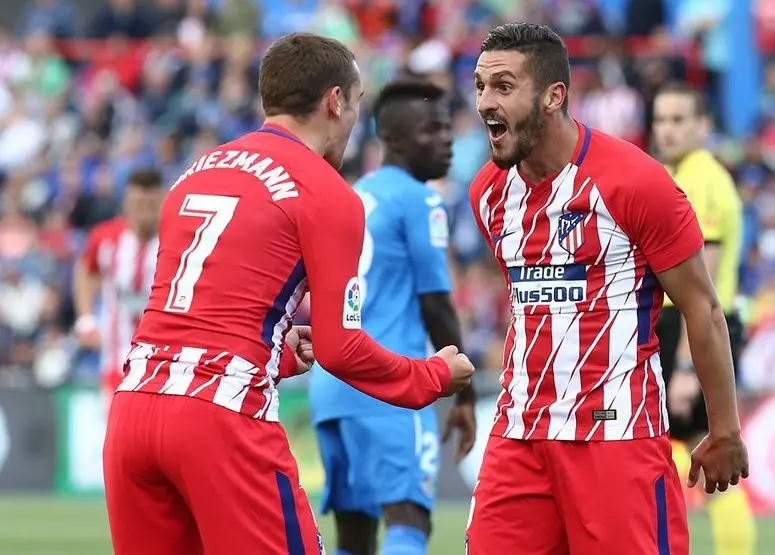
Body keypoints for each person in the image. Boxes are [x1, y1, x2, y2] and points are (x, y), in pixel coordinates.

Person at [101, 33, 474, 555]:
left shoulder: (196, 173)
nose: (354, 123)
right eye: (357, 103)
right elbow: (342, 348)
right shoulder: (327, 193)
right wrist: (432, 376)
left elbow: (197, 312)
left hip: (133, 408)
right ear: (334, 101)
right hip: (220, 417)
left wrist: (274, 346)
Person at [465, 23, 749, 555]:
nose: (485, 102)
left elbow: (702, 308)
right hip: (518, 434)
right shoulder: (487, 192)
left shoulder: (636, 182)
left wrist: (725, 429)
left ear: (554, 97)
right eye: (479, 86)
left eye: (503, 86)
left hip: (615, 435)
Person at [308, 80, 477, 555]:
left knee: (355, 535)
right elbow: (437, 302)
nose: (447, 140)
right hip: (388, 383)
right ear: (395, 139)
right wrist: (461, 397)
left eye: (448, 129)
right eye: (433, 130)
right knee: (408, 521)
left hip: (333, 385)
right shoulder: (419, 199)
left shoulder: (353, 195)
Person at [652, 83, 756, 555]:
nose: (666, 130)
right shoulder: (687, 174)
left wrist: (689, 367)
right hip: (692, 328)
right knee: (699, 454)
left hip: (693, 331)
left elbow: (703, 285)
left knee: (689, 451)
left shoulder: (702, 179)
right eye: (660, 120)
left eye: (678, 120)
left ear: (702, 126)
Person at [73, 168, 164, 408]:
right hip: (117, 361)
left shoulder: (175, 239)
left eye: (151, 203)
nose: (145, 211)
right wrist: (86, 317)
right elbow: (86, 272)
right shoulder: (106, 238)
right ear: (127, 202)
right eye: (139, 203)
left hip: (164, 364)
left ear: (162, 201)